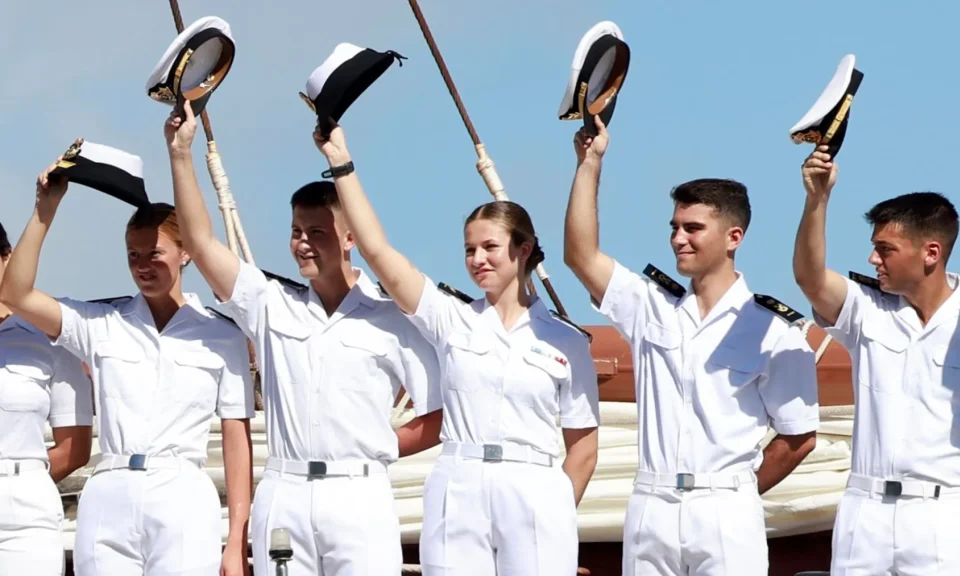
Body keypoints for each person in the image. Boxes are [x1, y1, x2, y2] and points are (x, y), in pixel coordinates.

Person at [307, 116, 600, 576]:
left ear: (523, 251)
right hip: (458, 486)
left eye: (490, 247)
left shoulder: (566, 342)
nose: (477, 260)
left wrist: (558, 508)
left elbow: (583, 446)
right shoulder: (451, 320)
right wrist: (342, 165)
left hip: (536, 487)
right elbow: (379, 253)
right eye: (469, 250)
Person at [164, 101, 444, 576]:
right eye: (296, 231)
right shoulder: (270, 303)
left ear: (350, 237)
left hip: (360, 496)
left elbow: (440, 413)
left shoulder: (392, 319)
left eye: (317, 231)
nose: (303, 243)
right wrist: (180, 154)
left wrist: (379, 445)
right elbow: (202, 243)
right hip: (284, 495)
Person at [563, 116, 820, 576]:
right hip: (651, 505)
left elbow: (799, 436)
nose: (678, 239)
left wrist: (738, 489)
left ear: (733, 238)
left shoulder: (774, 330)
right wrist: (589, 163)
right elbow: (581, 256)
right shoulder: (650, 307)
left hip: (726, 510)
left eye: (693, 228)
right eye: (675, 226)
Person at [0, 163, 255, 576]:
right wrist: (45, 209)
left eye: (154, 253)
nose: (142, 266)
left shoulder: (222, 336)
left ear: (186, 250)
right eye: (133, 255)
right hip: (109, 495)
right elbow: (16, 292)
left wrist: (237, 539)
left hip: (182, 494)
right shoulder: (100, 323)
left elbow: (236, 442)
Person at [794, 144, 960, 574]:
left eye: (885, 249)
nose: (872, 259)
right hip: (865, 511)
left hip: (943, 515)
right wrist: (817, 199)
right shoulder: (866, 310)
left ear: (931, 253)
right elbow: (810, 278)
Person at [0, 220, 93, 576]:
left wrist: (23, 477)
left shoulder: (51, 339)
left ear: (7, 257)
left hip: (27, 512)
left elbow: (74, 449)